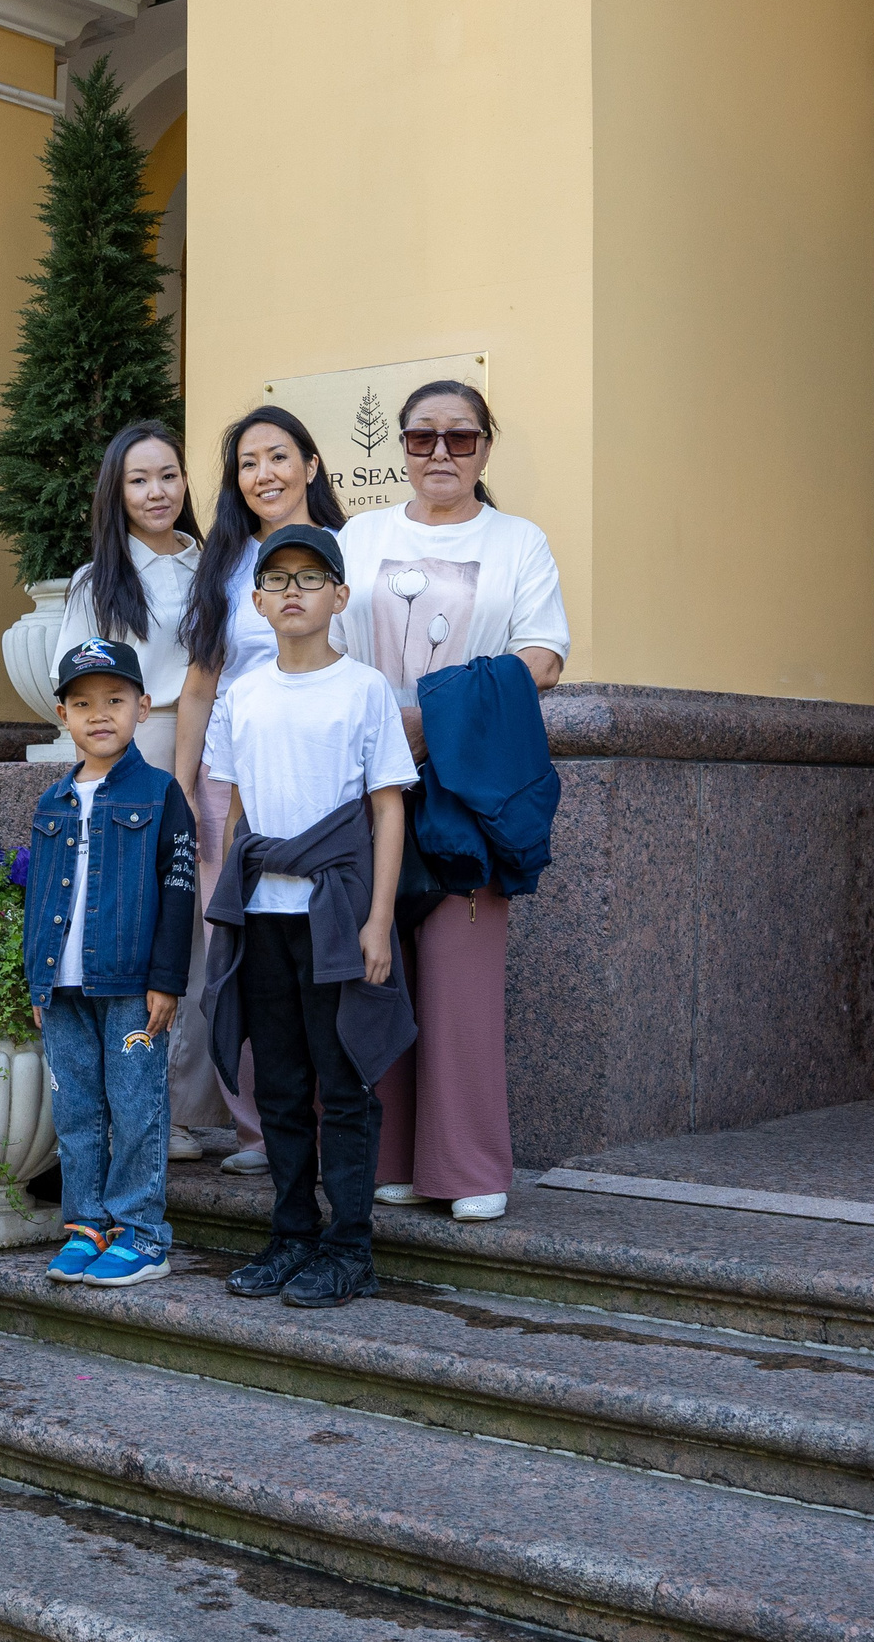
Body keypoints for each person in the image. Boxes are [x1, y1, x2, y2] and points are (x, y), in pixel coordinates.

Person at [336, 380, 567, 1224]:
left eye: (460, 437)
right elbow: (324, 637)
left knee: (459, 971)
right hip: (367, 772)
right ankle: (393, 1156)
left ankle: (467, 1165)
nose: (440, 452)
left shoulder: (517, 541)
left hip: (470, 780)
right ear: (400, 445)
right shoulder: (361, 536)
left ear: (485, 447)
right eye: (422, 436)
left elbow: (544, 656)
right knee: (380, 966)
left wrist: (432, 717)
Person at [198, 525, 418, 1308]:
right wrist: (228, 909)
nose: (293, 591)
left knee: (344, 1077)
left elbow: (386, 809)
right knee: (282, 1084)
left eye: (311, 577)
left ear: (340, 595)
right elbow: (236, 808)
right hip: (264, 916)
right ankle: (291, 1234)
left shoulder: (363, 689)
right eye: (278, 579)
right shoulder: (243, 694)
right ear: (257, 602)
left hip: (337, 915)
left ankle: (350, 1246)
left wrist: (378, 920)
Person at [173, 406, 346, 1175]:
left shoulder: (351, 549)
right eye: (248, 462)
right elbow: (199, 687)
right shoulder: (227, 562)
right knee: (238, 949)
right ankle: (259, 1129)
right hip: (231, 784)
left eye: (278, 456)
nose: (264, 474)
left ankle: (334, 1125)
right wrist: (184, 786)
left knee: (324, 946)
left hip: (327, 783)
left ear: (310, 464)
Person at [52, 422, 214, 1159]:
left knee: (198, 924)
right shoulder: (98, 580)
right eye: (139, 479)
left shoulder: (214, 563)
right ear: (116, 492)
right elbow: (73, 683)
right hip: (134, 745)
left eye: (168, 475)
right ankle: (142, 1110)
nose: (157, 492)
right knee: (133, 919)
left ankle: (190, 1106)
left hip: (212, 744)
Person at [25, 639, 201, 1289]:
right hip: (62, 985)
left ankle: (141, 1234)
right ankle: (88, 1226)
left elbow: (179, 891)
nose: (99, 714)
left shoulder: (160, 793)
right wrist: (37, 978)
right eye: (82, 703)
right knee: (75, 1111)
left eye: (115, 700)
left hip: (131, 985)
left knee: (135, 1108)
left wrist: (166, 980)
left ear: (143, 708)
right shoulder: (53, 800)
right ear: (63, 716)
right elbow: (39, 895)